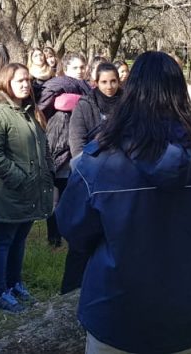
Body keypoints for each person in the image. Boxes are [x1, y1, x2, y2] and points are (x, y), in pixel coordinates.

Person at [57, 51, 191, 354]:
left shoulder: (99, 162)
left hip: (116, 312)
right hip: (185, 315)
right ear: (180, 93)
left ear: (131, 91)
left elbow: (73, 228)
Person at [0, 63, 54, 314]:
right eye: (19, 80)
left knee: (19, 238)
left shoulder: (30, 111)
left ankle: (14, 284)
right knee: (2, 240)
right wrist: (21, 179)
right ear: (6, 82)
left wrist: (46, 175)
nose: (25, 85)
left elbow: (43, 149)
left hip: (31, 191)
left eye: (27, 80)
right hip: (8, 192)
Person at [59, 61, 123, 294]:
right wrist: (86, 174)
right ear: (95, 82)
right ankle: (70, 290)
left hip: (120, 179)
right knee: (82, 239)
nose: (109, 86)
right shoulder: (86, 105)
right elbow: (77, 143)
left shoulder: (128, 105)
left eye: (114, 81)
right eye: (104, 82)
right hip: (91, 177)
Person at [39, 52, 90, 248]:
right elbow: (48, 107)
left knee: (76, 197)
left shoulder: (88, 91)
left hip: (78, 149)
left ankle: (73, 235)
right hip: (58, 147)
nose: (80, 71)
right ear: (66, 69)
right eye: (76, 67)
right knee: (56, 198)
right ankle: (54, 239)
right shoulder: (56, 87)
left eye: (82, 67)